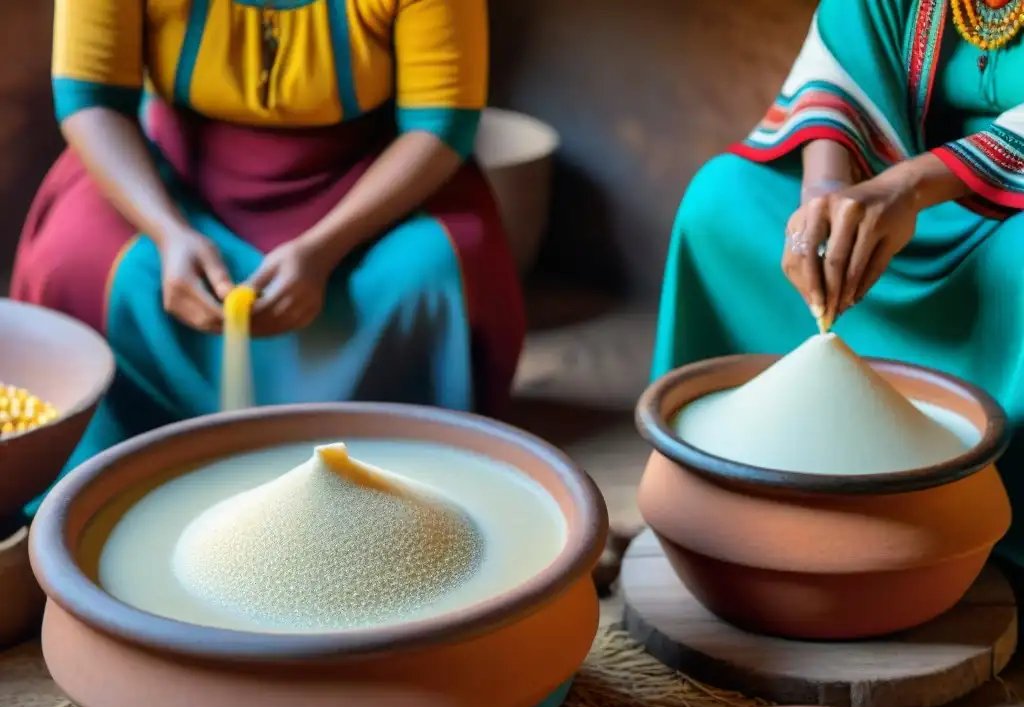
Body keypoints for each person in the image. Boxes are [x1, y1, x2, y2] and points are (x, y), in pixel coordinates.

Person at [11, 0, 525, 489]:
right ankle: (109, 479)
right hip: (163, 176)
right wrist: (168, 232)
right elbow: (91, 99)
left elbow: (440, 124)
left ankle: (400, 483)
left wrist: (324, 249)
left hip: (368, 183)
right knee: (74, 260)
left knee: (430, 270)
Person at [653, 0, 1024, 572]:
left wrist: (906, 190)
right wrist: (826, 191)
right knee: (719, 202)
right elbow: (846, 45)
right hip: (894, 186)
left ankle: (987, 539)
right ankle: (705, 489)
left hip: (997, 215)